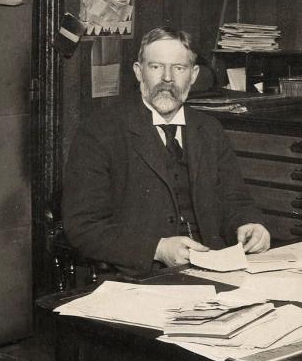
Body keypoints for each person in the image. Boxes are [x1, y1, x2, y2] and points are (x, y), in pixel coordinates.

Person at [63, 26, 271, 274]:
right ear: (139, 72)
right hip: (140, 275)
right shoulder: (100, 132)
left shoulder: (209, 130)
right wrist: (157, 248)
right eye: (156, 67)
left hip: (215, 267)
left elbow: (236, 201)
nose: (167, 79)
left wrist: (249, 225)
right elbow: (83, 227)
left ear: (193, 75)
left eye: (179, 68)